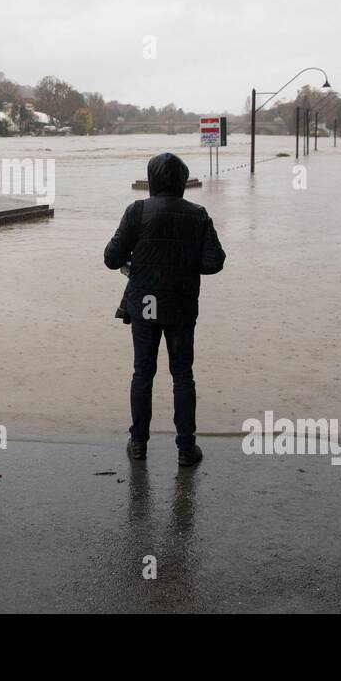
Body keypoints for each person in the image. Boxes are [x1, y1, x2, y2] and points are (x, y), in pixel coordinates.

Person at [104, 153, 225, 466]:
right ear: (182, 181)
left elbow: (111, 258)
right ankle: (186, 449)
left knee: (143, 373)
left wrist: (138, 259)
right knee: (183, 375)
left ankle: (139, 444)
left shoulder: (137, 211)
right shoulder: (198, 214)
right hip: (182, 305)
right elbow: (215, 262)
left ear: (152, 179)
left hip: (144, 304)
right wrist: (183, 265)